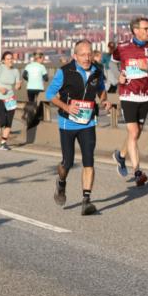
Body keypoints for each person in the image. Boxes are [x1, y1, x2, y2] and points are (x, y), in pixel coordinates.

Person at [45, 40, 110, 216]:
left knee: (89, 160)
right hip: (67, 122)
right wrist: (66, 107)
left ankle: (86, 201)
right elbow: (49, 94)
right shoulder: (65, 72)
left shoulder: (97, 70)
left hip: (88, 122)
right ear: (75, 56)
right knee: (68, 162)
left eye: (89, 53)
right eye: (83, 54)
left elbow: (102, 90)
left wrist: (104, 101)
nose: (87, 57)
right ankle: (61, 182)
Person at [112, 16, 148, 187]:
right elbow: (112, 64)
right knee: (134, 132)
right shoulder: (122, 47)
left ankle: (120, 156)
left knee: (135, 134)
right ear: (135, 30)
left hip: (146, 95)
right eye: (146, 29)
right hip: (128, 94)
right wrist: (118, 76)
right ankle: (137, 172)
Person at [0, 51, 22, 150]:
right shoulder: (0, 69)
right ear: (3, 61)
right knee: (2, 121)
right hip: (0, 98)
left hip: (10, 98)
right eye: (8, 59)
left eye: (11, 59)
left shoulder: (16, 71)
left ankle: (3, 143)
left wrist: (19, 85)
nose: (10, 60)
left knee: (9, 122)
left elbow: (17, 86)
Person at [22, 51, 49, 128]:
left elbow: (24, 75)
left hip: (30, 87)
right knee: (40, 103)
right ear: (39, 58)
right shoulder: (42, 67)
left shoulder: (28, 66)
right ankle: (39, 117)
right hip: (39, 88)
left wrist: (29, 79)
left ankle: (28, 117)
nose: (43, 60)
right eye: (43, 59)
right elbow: (46, 78)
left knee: (31, 103)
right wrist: (42, 78)